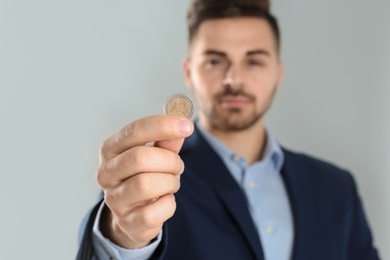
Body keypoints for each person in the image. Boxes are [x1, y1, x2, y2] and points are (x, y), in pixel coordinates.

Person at [77, 0, 379, 259]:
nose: (234, 79)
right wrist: (123, 237)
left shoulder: (337, 189)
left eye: (254, 62)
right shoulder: (152, 181)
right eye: (215, 61)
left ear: (278, 74)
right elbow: (121, 236)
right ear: (189, 72)